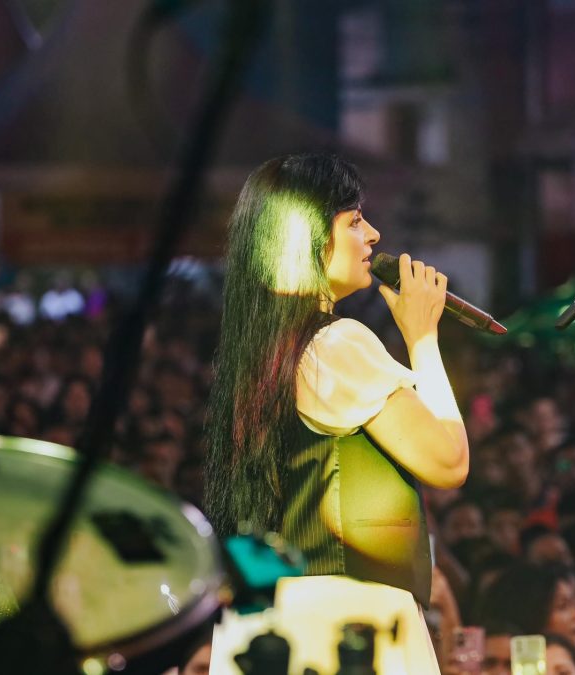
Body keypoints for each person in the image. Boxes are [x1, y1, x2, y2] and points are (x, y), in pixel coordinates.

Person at [200, 153, 469, 673]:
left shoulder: (261, 351)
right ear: (307, 238)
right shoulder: (337, 342)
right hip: (345, 618)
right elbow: (449, 461)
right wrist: (423, 339)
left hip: (272, 617)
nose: (373, 235)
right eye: (354, 220)